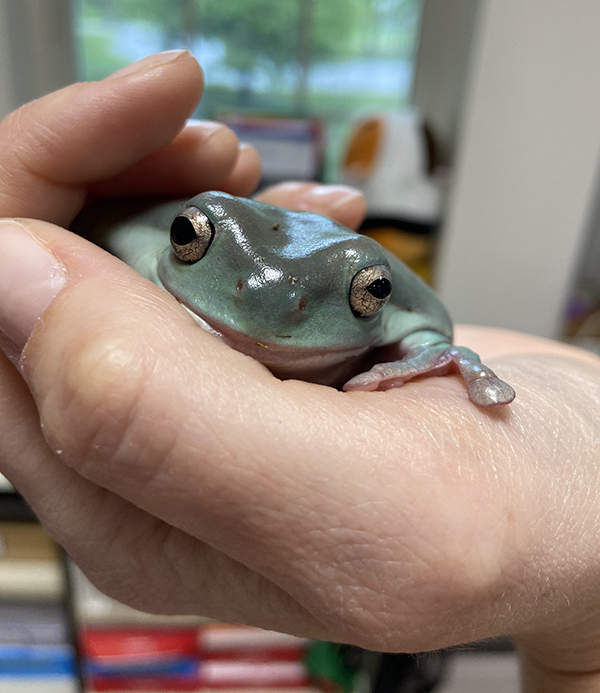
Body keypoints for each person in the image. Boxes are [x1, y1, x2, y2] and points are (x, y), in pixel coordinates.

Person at [0, 51, 598, 693]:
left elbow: (433, 329)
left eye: (365, 290)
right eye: (191, 236)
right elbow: (107, 239)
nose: (269, 297)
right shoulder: (143, 246)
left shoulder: (382, 294)